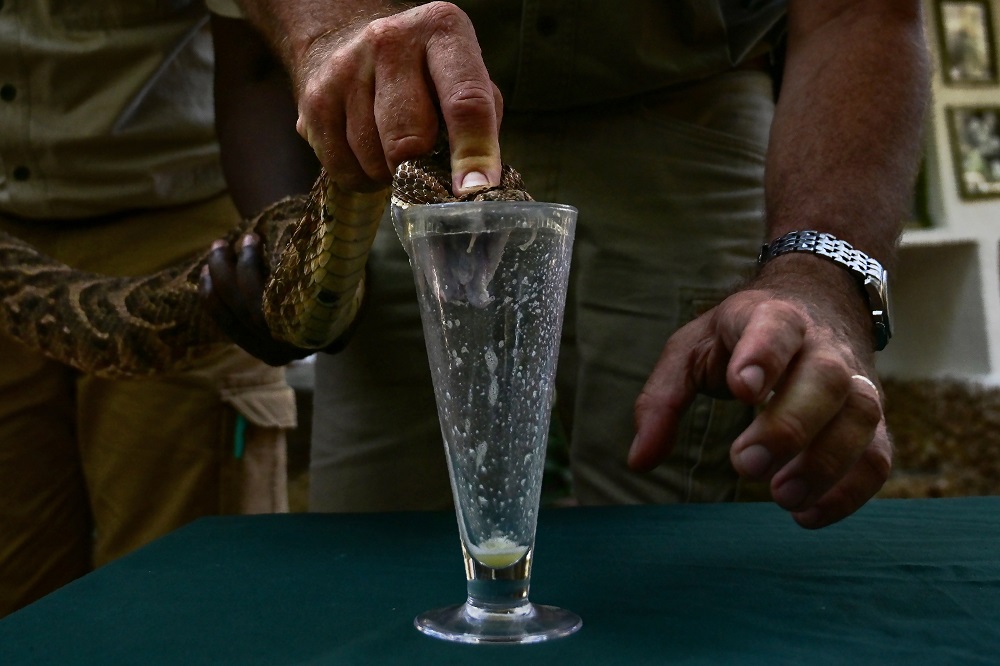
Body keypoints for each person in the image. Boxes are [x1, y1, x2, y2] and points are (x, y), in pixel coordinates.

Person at [202, 1, 930, 528]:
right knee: (381, 548)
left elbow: (857, 13)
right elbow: (247, 49)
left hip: (691, 112)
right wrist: (327, 32)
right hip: (395, 127)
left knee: (691, 542)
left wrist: (819, 276)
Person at [0, 1, 300, 617]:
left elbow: (258, 62)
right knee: (16, 600)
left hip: (179, 231)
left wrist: (283, 262)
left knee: (178, 596)